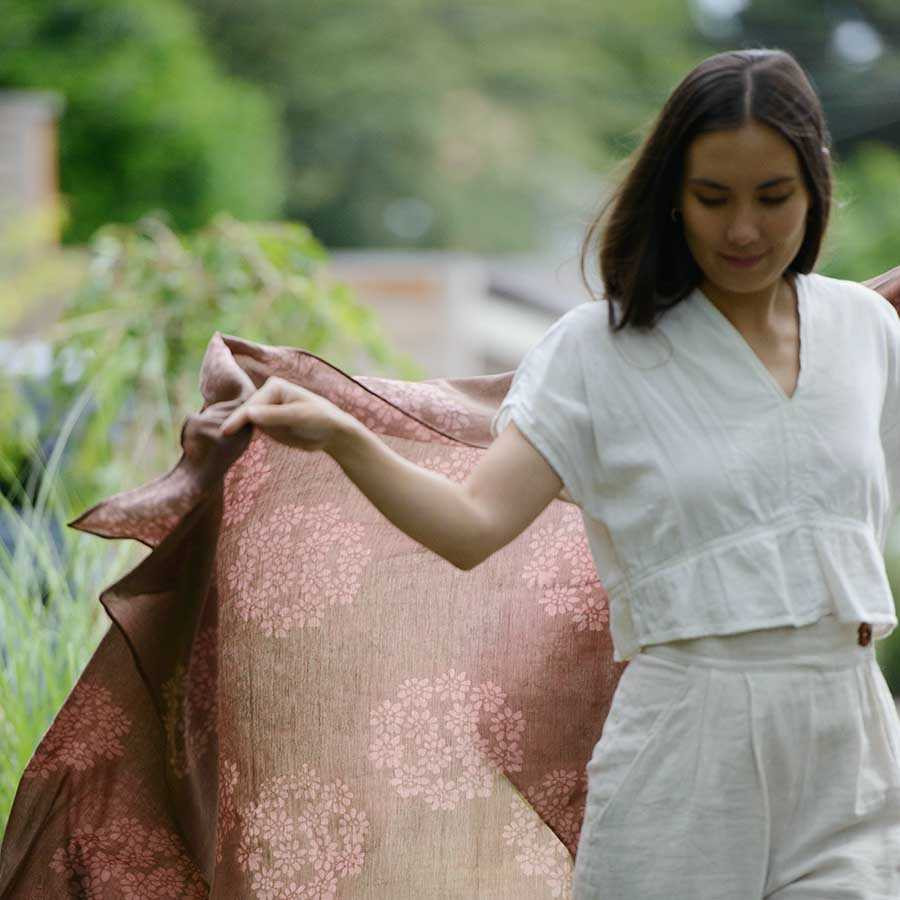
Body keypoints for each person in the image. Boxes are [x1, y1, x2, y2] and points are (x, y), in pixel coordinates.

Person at [219, 49, 900, 899]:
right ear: (672, 196)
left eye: (773, 197)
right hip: (686, 747)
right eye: (712, 197)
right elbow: (472, 526)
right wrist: (344, 438)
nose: (742, 231)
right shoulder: (598, 350)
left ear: (816, 187)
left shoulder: (868, 329)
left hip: (850, 743)